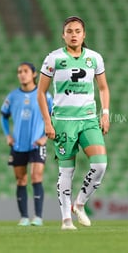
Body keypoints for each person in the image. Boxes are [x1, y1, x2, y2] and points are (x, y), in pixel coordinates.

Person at [37, 16, 110, 230]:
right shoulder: (54, 59)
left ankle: (79, 205)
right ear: (63, 35)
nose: (74, 34)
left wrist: (105, 113)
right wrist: (48, 123)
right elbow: (40, 92)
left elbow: (104, 88)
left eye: (78, 31)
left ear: (84, 34)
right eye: (69, 31)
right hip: (63, 122)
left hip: (88, 120)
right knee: (66, 171)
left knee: (100, 165)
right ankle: (66, 220)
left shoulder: (95, 58)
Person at [1, 62, 53, 226]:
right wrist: (7, 135)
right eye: (19, 72)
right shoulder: (12, 96)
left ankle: (38, 217)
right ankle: (24, 216)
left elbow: (54, 115)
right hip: (18, 144)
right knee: (20, 179)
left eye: (25, 71)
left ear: (34, 74)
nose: (22, 74)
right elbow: (3, 115)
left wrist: (45, 136)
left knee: (36, 176)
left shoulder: (44, 95)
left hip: (37, 143)